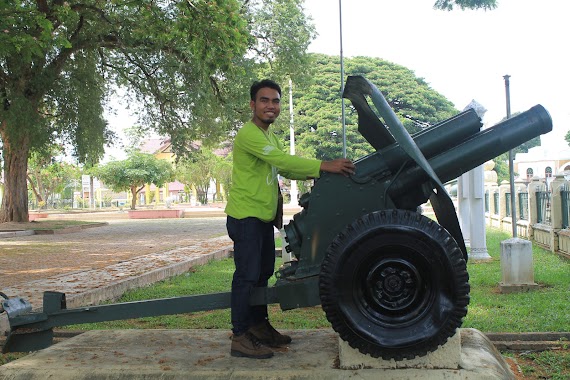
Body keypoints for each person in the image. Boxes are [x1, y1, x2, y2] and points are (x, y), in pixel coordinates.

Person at [225, 79, 355, 359]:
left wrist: (327, 171)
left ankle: (258, 327)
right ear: (252, 105)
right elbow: (284, 163)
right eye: (264, 100)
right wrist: (323, 165)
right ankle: (239, 335)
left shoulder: (269, 136)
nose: (270, 106)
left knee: (260, 276)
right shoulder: (249, 134)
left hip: (260, 217)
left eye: (275, 101)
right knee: (246, 277)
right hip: (245, 216)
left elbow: (287, 168)